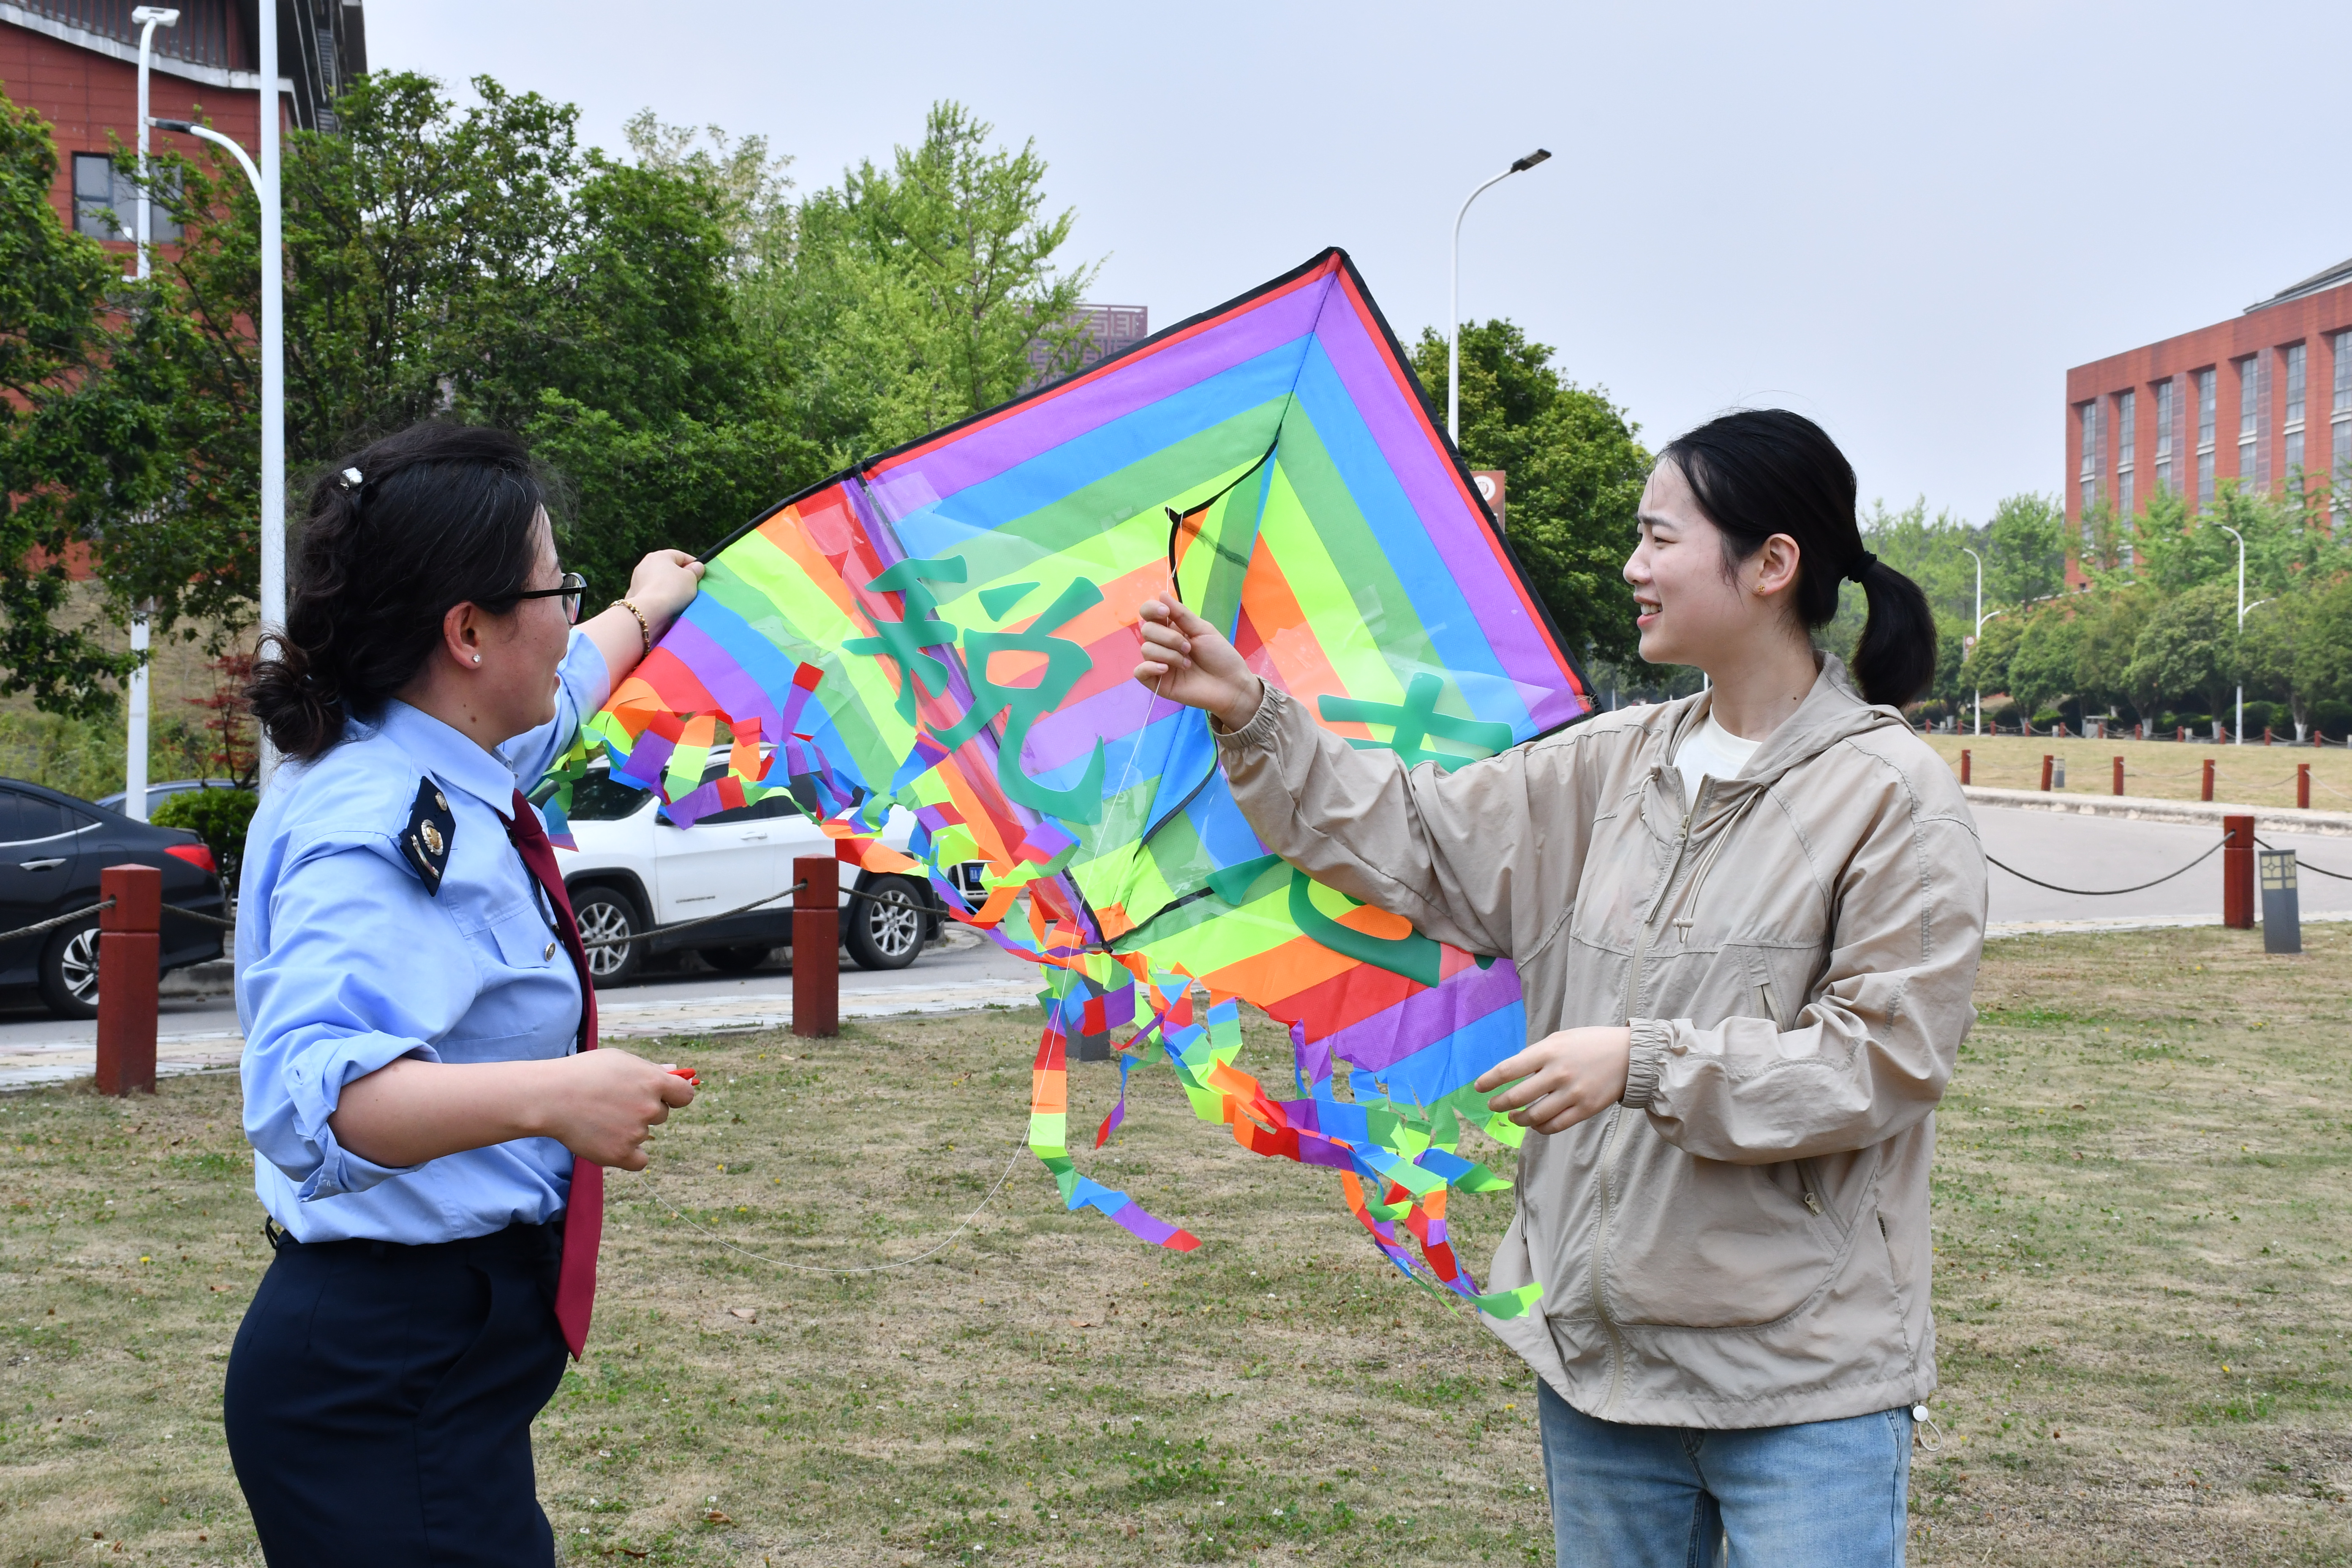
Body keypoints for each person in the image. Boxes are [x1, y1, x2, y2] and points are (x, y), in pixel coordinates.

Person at [1134, 409, 1984, 1567]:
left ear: (1772, 564)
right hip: (1601, 1375)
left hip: (1806, 1383)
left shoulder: (1890, 795)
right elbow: (1415, 838)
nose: (1633, 568)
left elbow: (1882, 1060)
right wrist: (1252, 712)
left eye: (1658, 538)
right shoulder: (1612, 763)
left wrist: (1640, 1061)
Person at [225, 422, 706, 1565]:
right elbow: (314, 1100)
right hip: (382, 1382)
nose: (567, 615)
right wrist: (554, 1096)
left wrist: (644, 607)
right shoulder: (371, 823)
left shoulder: (436, 749)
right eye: (556, 586)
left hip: (430, 1360)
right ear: (469, 630)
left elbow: (567, 685)